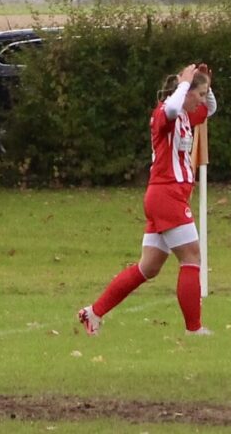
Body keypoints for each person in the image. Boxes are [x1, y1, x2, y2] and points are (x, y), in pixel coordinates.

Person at [78, 63, 217, 336]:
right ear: (185, 91)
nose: (202, 100)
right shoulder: (165, 113)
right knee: (191, 257)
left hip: (165, 197)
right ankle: (194, 329)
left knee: (148, 267)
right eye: (199, 94)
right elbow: (172, 108)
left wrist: (206, 84)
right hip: (167, 196)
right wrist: (184, 83)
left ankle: (93, 313)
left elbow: (211, 109)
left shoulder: (187, 116)